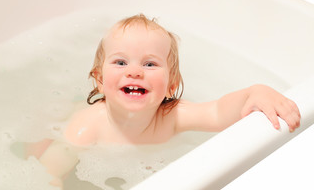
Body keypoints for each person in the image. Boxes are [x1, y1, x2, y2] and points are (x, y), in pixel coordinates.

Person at [64, 14, 301, 146]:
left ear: (171, 86)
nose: (135, 72)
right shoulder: (88, 126)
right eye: (121, 62)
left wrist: (254, 93)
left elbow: (217, 113)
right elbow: (57, 160)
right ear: (99, 80)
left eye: (150, 64)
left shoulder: (171, 117)